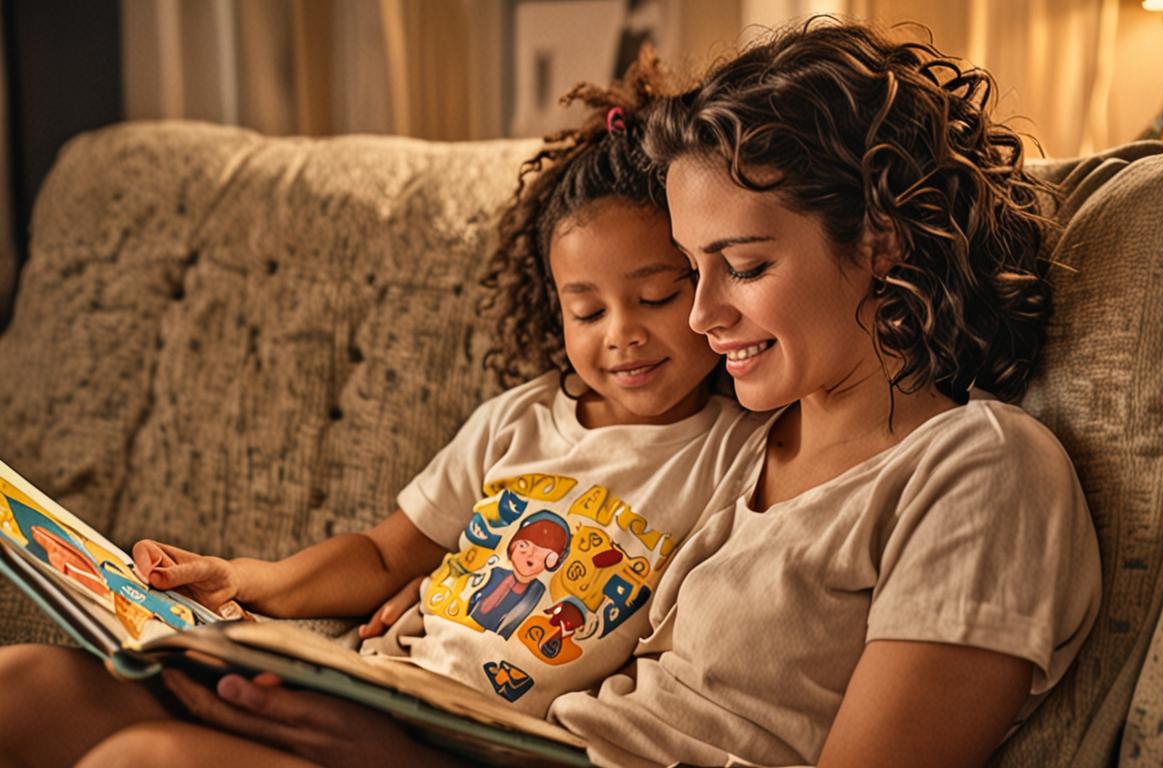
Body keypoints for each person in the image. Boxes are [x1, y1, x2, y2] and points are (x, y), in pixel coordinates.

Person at [42, 19, 1104, 768]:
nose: (696, 320)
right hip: (491, 735)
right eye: (690, 270)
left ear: (880, 241)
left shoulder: (979, 471)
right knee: (32, 688)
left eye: (738, 266)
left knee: (145, 759)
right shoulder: (740, 434)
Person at [0, 53, 769, 766]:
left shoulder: (742, 454)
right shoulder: (521, 420)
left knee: (143, 761)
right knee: (22, 682)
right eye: (586, 310)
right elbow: (379, 557)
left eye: (657, 296)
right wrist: (241, 579)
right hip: (369, 686)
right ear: (551, 309)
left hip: (447, 751)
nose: (622, 335)